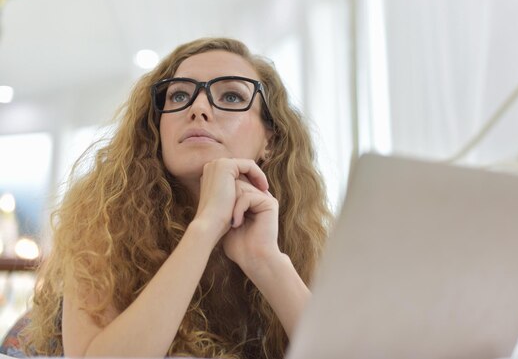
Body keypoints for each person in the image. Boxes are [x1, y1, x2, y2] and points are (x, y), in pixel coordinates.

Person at [22, 37, 332, 358]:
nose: (198, 108)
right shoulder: (104, 218)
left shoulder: (301, 235)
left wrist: (265, 260)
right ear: (157, 127)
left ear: (271, 139)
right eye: (180, 94)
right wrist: (205, 227)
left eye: (230, 95)